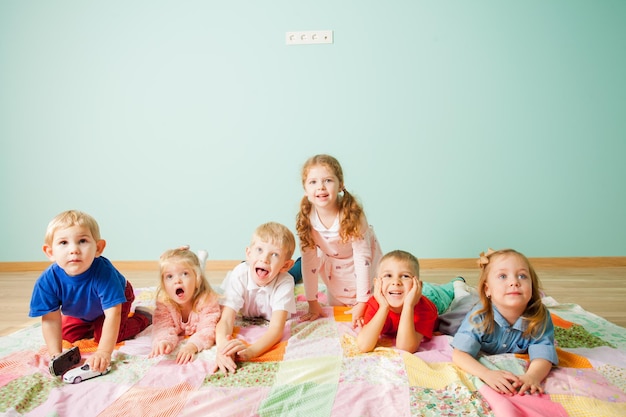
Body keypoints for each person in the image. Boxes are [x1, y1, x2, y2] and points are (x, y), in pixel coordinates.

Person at [29, 210, 151, 374]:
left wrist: (103, 352)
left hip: (115, 302)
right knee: (67, 334)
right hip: (82, 308)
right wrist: (55, 354)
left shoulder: (104, 274)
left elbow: (112, 314)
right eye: (64, 243)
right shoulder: (47, 281)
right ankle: (91, 322)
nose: (74, 249)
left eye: (82, 241)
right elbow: (51, 319)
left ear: (98, 248)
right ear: (50, 252)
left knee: (105, 337)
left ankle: (143, 317)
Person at [451, 248, 558, 396]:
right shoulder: (478, 316)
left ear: (532, 287)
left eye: (522, 276)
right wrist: (486, 374)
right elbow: (460, 354)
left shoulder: (539, 317)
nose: (514, 282)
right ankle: (458, 287)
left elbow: (543, 353)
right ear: (487, 289)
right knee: (455, 308)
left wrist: (532, 376)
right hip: (464, 309)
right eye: (502, 276)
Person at [296, 154, 383, 328]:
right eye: (313, 182)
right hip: (334, 268)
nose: (320, 187)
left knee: (371, 314)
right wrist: (312, 301)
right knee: (338, 315)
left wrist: (362, 301)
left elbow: (362, 258)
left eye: (328, 180)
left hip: (364, 265)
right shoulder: (307, 218)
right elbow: (309, 261)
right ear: (305, 189)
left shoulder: (352, 214)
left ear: (340, 184)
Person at [212, 222, 296, 374]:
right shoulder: (240, 274)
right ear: (248, 253)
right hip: (247, 272)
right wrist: (223, 348)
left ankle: (298, 265)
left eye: (274, 254)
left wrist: (251, 352)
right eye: (259, 250)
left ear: (285, 265)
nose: (265, 259)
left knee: (296, 274)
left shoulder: (285, 281)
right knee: (220, 291)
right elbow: (225, 320)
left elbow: (276, 329)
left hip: (279, 276)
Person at [356, 250, 465, 353]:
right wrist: (383, 307)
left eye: (405, 276)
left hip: (433, 296)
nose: (396, 282)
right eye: (388, 275)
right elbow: (363, 345)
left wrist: (408, 306)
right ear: (377, 283)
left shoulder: (425, 310)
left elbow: (405, 348)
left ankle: (457, 281)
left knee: (447, 292)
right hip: (403, 292)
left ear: (417, 284)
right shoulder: (376, 303)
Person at [149, 247, 220, 364]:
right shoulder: (165, 303)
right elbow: (162, 326)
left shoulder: (207, 300)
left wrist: (192, 345)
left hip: (205, 291)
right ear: (164, 284)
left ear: (197, 280)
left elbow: (208, 329)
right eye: (169, 276)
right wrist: (163, 341)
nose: (177, 281)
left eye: (184, 274)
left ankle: (201, 262)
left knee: (222, 292)